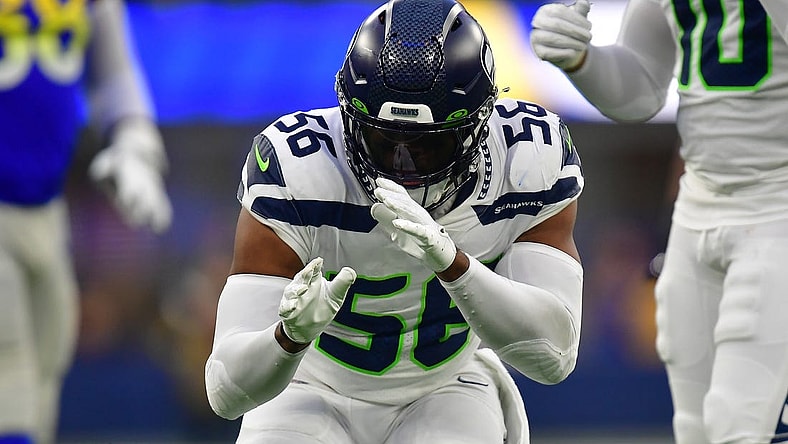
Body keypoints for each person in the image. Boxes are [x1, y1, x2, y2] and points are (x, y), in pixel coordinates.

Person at [204, 0, 585, 442]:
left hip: (445, 387)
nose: (403, 167)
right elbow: (225, 393)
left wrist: (454, 265)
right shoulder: (298, 170)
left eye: (429, 146)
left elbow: (552, 357)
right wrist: (288, 337)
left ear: (479, 127)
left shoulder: (526, 160)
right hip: (309, 385)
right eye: (384, 141)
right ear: (350, 119)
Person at [530, 0, 788, 442]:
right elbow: (644, 85)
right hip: (699, 202)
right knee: (696, 428)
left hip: (777, 206)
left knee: (743, 425)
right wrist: (582, 60)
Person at [0, 1, 172, 442]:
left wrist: (134, 145)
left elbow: (113, 74)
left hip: (46, 209)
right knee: (7, 358)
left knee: (47, 359)